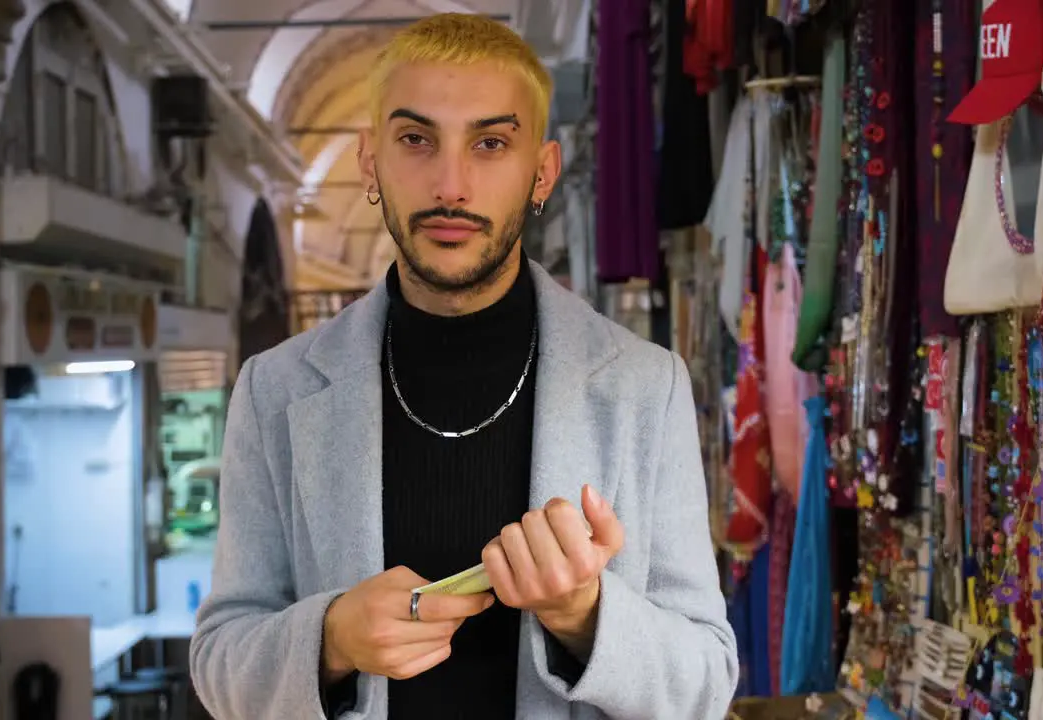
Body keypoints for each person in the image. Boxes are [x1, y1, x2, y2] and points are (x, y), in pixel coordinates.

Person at [189, 13, 737, 719]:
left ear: (541, 173)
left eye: (490, 143)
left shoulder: (641, 386)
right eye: (416, 140)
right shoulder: (276, 391)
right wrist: (329, 641)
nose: (451, 184)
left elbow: (708, 683)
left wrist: (585, 613)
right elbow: (218, 660)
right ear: (370, 164)